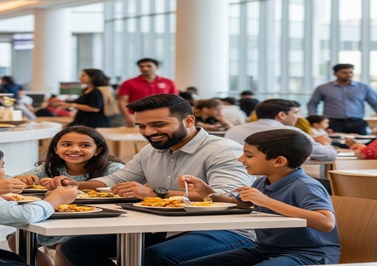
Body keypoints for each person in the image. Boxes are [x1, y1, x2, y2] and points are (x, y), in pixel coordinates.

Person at [60, 94, 255, 266]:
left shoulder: (223, 150)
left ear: (188, 121)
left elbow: (229, 198)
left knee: (153, 257)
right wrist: (73, 184)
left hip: (224, 229)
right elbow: (117, 179)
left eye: (158, 125)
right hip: (166, 227)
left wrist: (156, 194)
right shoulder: (152, 149)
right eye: (142, 126)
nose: (149, 132)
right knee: (76, 247)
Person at [178, 129, 340, 265]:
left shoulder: (305, 186)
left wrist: (266, 201)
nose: (241, 159)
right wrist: (204, 190)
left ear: (278, 161)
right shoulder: (263, 181)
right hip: (265, 249)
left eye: (248, 156)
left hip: (310, 254)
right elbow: (238, 204)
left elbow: (326, 222)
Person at [8, 125, 124, 266]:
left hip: (95, 223)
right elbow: (11, 180)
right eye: (66, 144)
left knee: (64, 247)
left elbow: (122, 187)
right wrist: (22, 180)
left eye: (85, 145)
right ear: (56, 149)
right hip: (59, 221)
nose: (74, 149)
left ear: (97, 151)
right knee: (16, 239)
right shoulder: (50, 169)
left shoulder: (112, 169)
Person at [225, 99, 337, 161]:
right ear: (282, 115)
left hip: (239, 178)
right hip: (275, 185)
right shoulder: (292, 132)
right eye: (295, 113)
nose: (298, 117)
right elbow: (328, 155)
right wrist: (326, 143)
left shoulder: (234, 130)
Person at [307, 63, 377, 135]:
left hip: (357, 122)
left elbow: (376, 103)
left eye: (351, 72)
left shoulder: (363, 88)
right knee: (335, 145)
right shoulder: (323, 88)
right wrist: (314, 119)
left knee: (362, 144)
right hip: (333, 123)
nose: (348, 75)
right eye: (344, 72)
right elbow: (313, 103)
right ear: (335, 74)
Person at [117, 58, 178, 127]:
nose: (145, 68)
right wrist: (128, 116)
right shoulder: (128, 83)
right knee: (135, 137)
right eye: (141, 66)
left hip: (163, 117)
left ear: (156, 67)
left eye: (149, 66)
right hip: (137, 117)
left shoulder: (168, 82)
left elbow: (174, 101)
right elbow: (122, 101)